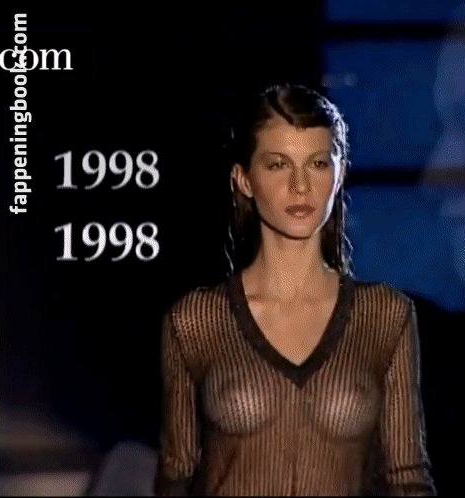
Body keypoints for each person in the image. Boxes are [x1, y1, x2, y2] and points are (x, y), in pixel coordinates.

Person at [153, 84, 436, 496]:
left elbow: (407, 477)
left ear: (339, 174)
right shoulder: (195, 321)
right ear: (243, 179)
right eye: (277, 165)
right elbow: (176, 476)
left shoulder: (384, 315)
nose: (300, 185)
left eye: (317, 164)